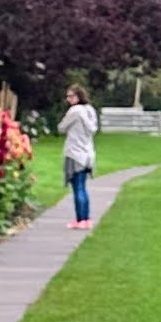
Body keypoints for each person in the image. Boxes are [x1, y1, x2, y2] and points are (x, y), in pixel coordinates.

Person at [58, 81, 98, 225]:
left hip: (75, 153)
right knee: (83, 186)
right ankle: (86, 219)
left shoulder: (75, 111)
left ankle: (80, 219)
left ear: (78, 96)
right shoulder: (90, 110)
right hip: (88, 153)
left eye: (71, 96)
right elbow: (93, 129)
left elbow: (61, 127)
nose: (68, 99)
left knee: (77, 187)